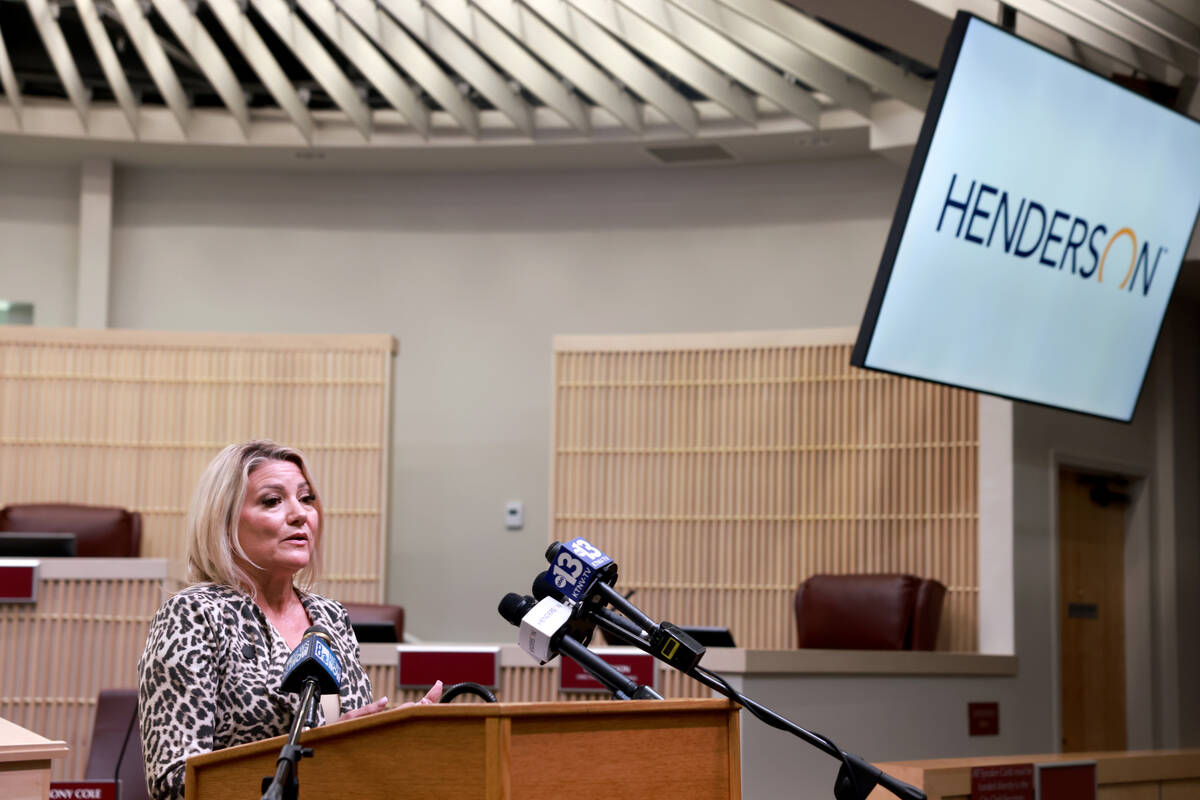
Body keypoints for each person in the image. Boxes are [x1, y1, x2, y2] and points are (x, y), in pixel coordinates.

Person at [137, 440, 441, 800]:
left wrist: (389, 733)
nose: (300, 514)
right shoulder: (194, 615)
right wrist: (319, 752)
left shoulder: (330, 617)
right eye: (272, 500)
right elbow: (174, 782)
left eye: (306, 498)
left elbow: (346, 740)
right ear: (225, 520)